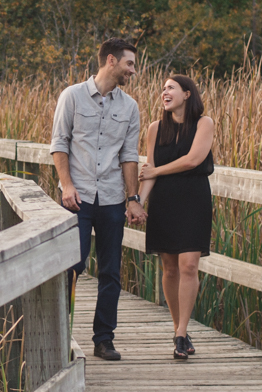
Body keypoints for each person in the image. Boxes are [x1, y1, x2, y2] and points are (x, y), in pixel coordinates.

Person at [50, 38, 146, 361]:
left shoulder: (129, 107)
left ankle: (104, 338)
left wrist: (132, 198)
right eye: (129, 64)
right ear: (110, 61)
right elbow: (59, 144)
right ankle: (60, 336)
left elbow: (129, 156)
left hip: (110, 199)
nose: (133, 70)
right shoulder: (72, 96)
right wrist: (66, 185)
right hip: (76, 198)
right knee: (72, 267)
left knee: (111, 271)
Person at [138, 75, 215, 361]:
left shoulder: (203, 123)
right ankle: (177, 329)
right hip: (165, 201)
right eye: (163, 89)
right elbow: (148, 171)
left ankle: (182, 332)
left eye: (171, 88)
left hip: (194, 199)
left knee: (189, 265)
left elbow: (193, 160)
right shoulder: (155, 129)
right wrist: (137, 201)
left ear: (186, 93)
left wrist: (155, 171)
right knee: (169, 268)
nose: (164, 92)